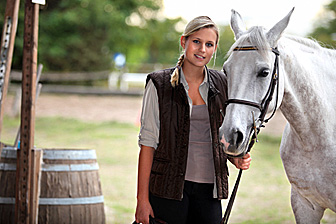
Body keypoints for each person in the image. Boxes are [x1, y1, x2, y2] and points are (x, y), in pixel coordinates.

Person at [135, 16, 251, 224]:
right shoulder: (159, 84)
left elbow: (219, 136)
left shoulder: (222, 83)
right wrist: (142, 199)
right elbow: (147, 144)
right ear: (184, 42)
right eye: (196, 41)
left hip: (209, 190)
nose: (202, 49)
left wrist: (235, 158)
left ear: (215, 48)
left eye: (209, 44)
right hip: (168, 189)